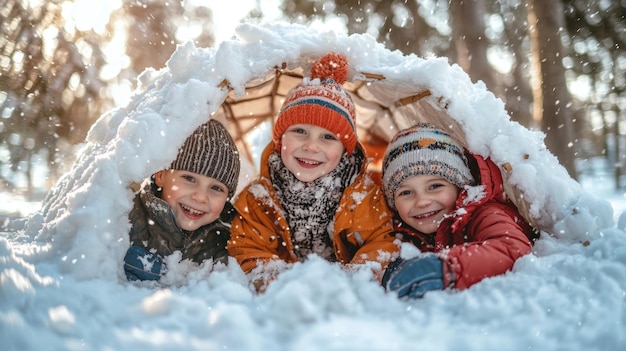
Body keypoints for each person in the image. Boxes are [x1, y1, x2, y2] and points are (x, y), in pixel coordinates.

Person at [227, 52, 399, 291]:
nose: (311, 146)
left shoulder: (362, 195)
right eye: (300, 131)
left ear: (345, 150)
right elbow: (246, 244)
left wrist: (361, 273)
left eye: (328, 137)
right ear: (280, 139)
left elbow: (381, 239)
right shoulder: (259, 196)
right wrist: (269, 273)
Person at [380, 123, 538, 298]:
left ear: (460, 186)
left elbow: (514, 249)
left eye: (435, 186)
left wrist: (449, 268)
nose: (422, 201)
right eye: (406, 192)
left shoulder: (485, 213)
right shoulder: (402, 229)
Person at [123, 119, 241, 281]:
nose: (200, 197)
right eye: (189, 178)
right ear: (160, 175)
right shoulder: (126, 215)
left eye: (216, 188)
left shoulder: (223, 243)